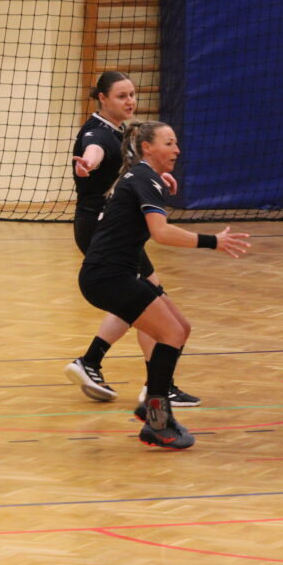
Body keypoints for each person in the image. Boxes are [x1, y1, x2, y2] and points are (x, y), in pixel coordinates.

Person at [78, 121, 250, 448]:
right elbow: (161, 233)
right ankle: (157, 420)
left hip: (119, 273)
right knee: (169, 333)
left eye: (176, 143)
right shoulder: (144, 177)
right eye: (169, 143)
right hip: (107, 276)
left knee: (180, 328)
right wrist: (213, 241)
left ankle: (153, 404)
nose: (177, 150)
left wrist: (159, 182)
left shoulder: (143, 177)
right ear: (147, 148)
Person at [64, 72, 200, 408]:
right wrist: (87, 164)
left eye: (132, 94)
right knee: (148, 298)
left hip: (111, 227)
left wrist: (155, 176)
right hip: (101, 229)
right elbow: (94, 152)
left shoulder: (119, 131)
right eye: (121, 96)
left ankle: (92, 361)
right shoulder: (98, 133)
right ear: (103, 99)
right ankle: (157, 386)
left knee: (138, 298)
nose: (130, 101)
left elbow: (125, 172)